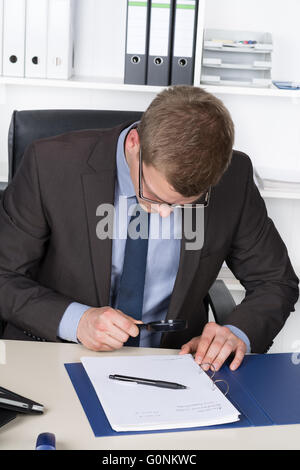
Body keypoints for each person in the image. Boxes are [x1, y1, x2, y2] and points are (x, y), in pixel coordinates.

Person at [0, 86, 298, 373]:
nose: (165, 212)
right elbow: (4, 275)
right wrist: (76, 321)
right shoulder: (49, 164)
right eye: (153, 195)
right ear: (134, 143)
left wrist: (236, 333)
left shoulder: (234, 177)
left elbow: (275, 281)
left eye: (184, 204)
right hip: (59, 353)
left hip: (176, 363)